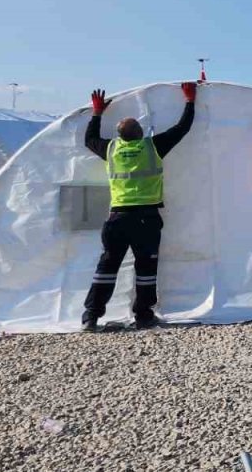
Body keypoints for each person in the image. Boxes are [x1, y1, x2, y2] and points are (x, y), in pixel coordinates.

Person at [81, 82, 198, 332]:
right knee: (146, 269)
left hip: (117, 218)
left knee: (107, 267)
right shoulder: (151, 147)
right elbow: (182, 128)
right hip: (146, 219)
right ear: (140, 132)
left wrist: (97, 113)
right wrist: (190, 100)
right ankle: (143, 316)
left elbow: (89, 139)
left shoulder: (111, 149)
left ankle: (91, 316)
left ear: (119, 135)